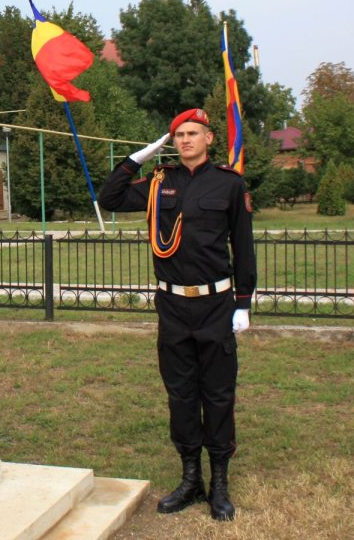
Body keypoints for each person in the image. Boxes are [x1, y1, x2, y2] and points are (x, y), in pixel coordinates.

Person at [99, 108, 256, 521]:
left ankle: (219, 481)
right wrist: (138, 159)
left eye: (193, 133)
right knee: (181, 394)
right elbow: (109, 198)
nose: (185, 140)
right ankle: (190, 479)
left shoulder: (228, 184)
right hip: (172, 306)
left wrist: (244, 302)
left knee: (218, 394)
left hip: (216, 305)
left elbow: (243, 245)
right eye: (178, 134)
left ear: (209, 139)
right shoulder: (158, 183)